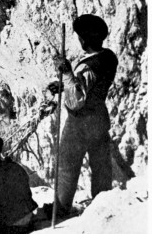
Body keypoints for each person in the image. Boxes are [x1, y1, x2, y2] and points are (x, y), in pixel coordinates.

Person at [47, 14, 118, 216]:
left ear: (84, 40)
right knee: (101, 167)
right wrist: (64, 86)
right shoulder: (108, 57)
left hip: (79, 124)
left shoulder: (88, 66)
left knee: (67, 167)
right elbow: (91, 88)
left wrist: (68, 75)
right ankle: (102, 208)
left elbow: (77, 102)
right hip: (99, 120)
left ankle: (60, 209)